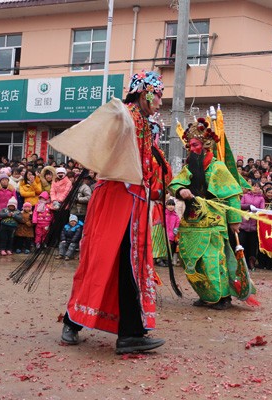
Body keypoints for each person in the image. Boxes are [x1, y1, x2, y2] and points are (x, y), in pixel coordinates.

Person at [61, 71, 171, 354]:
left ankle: (130, 333)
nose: (160, 102)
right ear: (145, 93)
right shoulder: (125, 116)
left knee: (129, 265)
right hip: (115, 199)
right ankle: (75, 320)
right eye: (158, 95)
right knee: (101, 260)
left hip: (134, 202)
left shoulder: (145, 124)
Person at [169, 118, 256, 310]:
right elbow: (175, 183)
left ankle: (223, 296)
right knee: (194, 261)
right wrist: (180, 190)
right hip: (192, 222)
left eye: (195, 145)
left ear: (206, 145)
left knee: (213, 260)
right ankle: (206, 295)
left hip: (214, 222)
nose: (191, 149)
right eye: (189, 146)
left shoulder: (218, 167)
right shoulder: (189, 167)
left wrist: (234, 220)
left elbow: (232, 194)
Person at [239, 181, 265, 270]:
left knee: (252, 246)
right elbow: (240, 205)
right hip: (243, 225)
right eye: (254, 186)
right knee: (242, 243)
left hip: (254, 226)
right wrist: (248, 206)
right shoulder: (245, 196)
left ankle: (251, 263)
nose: (256, 188)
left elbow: (262, 210)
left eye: (258, 187)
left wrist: (255, 211)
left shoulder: (261, 198)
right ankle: (242, 263)